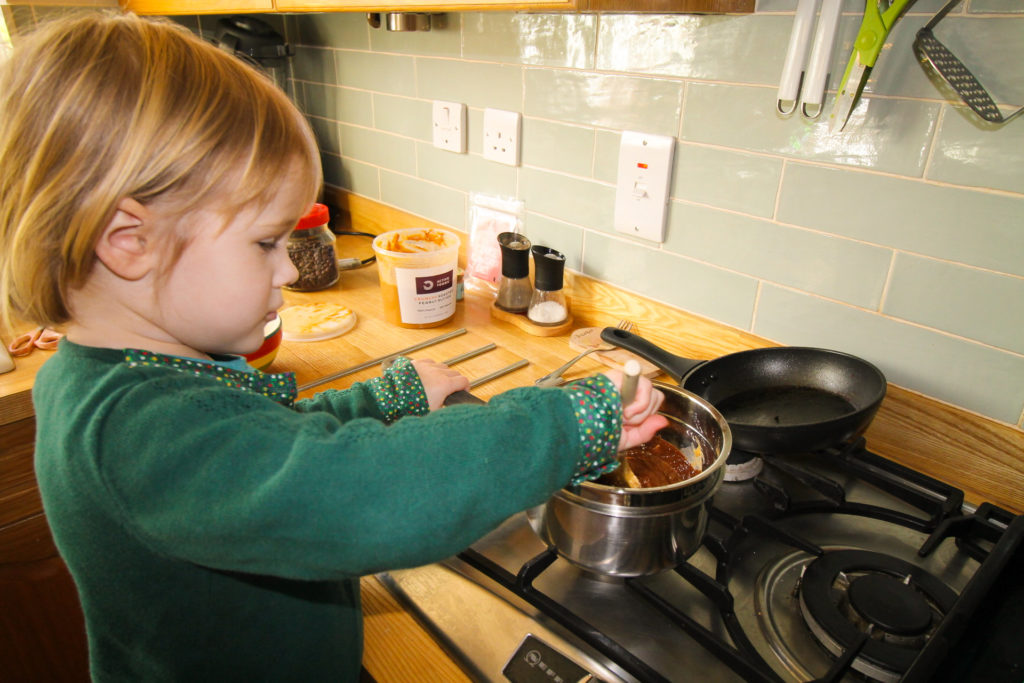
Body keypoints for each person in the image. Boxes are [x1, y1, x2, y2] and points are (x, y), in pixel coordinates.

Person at [0, 12, 668, 682]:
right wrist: (570, 421)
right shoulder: (138, 431)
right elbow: (367, 495)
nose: (289, 270)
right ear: (128, 241)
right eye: (266, 242)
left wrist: (385, 397)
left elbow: (266, 447)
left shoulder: (127, 377)